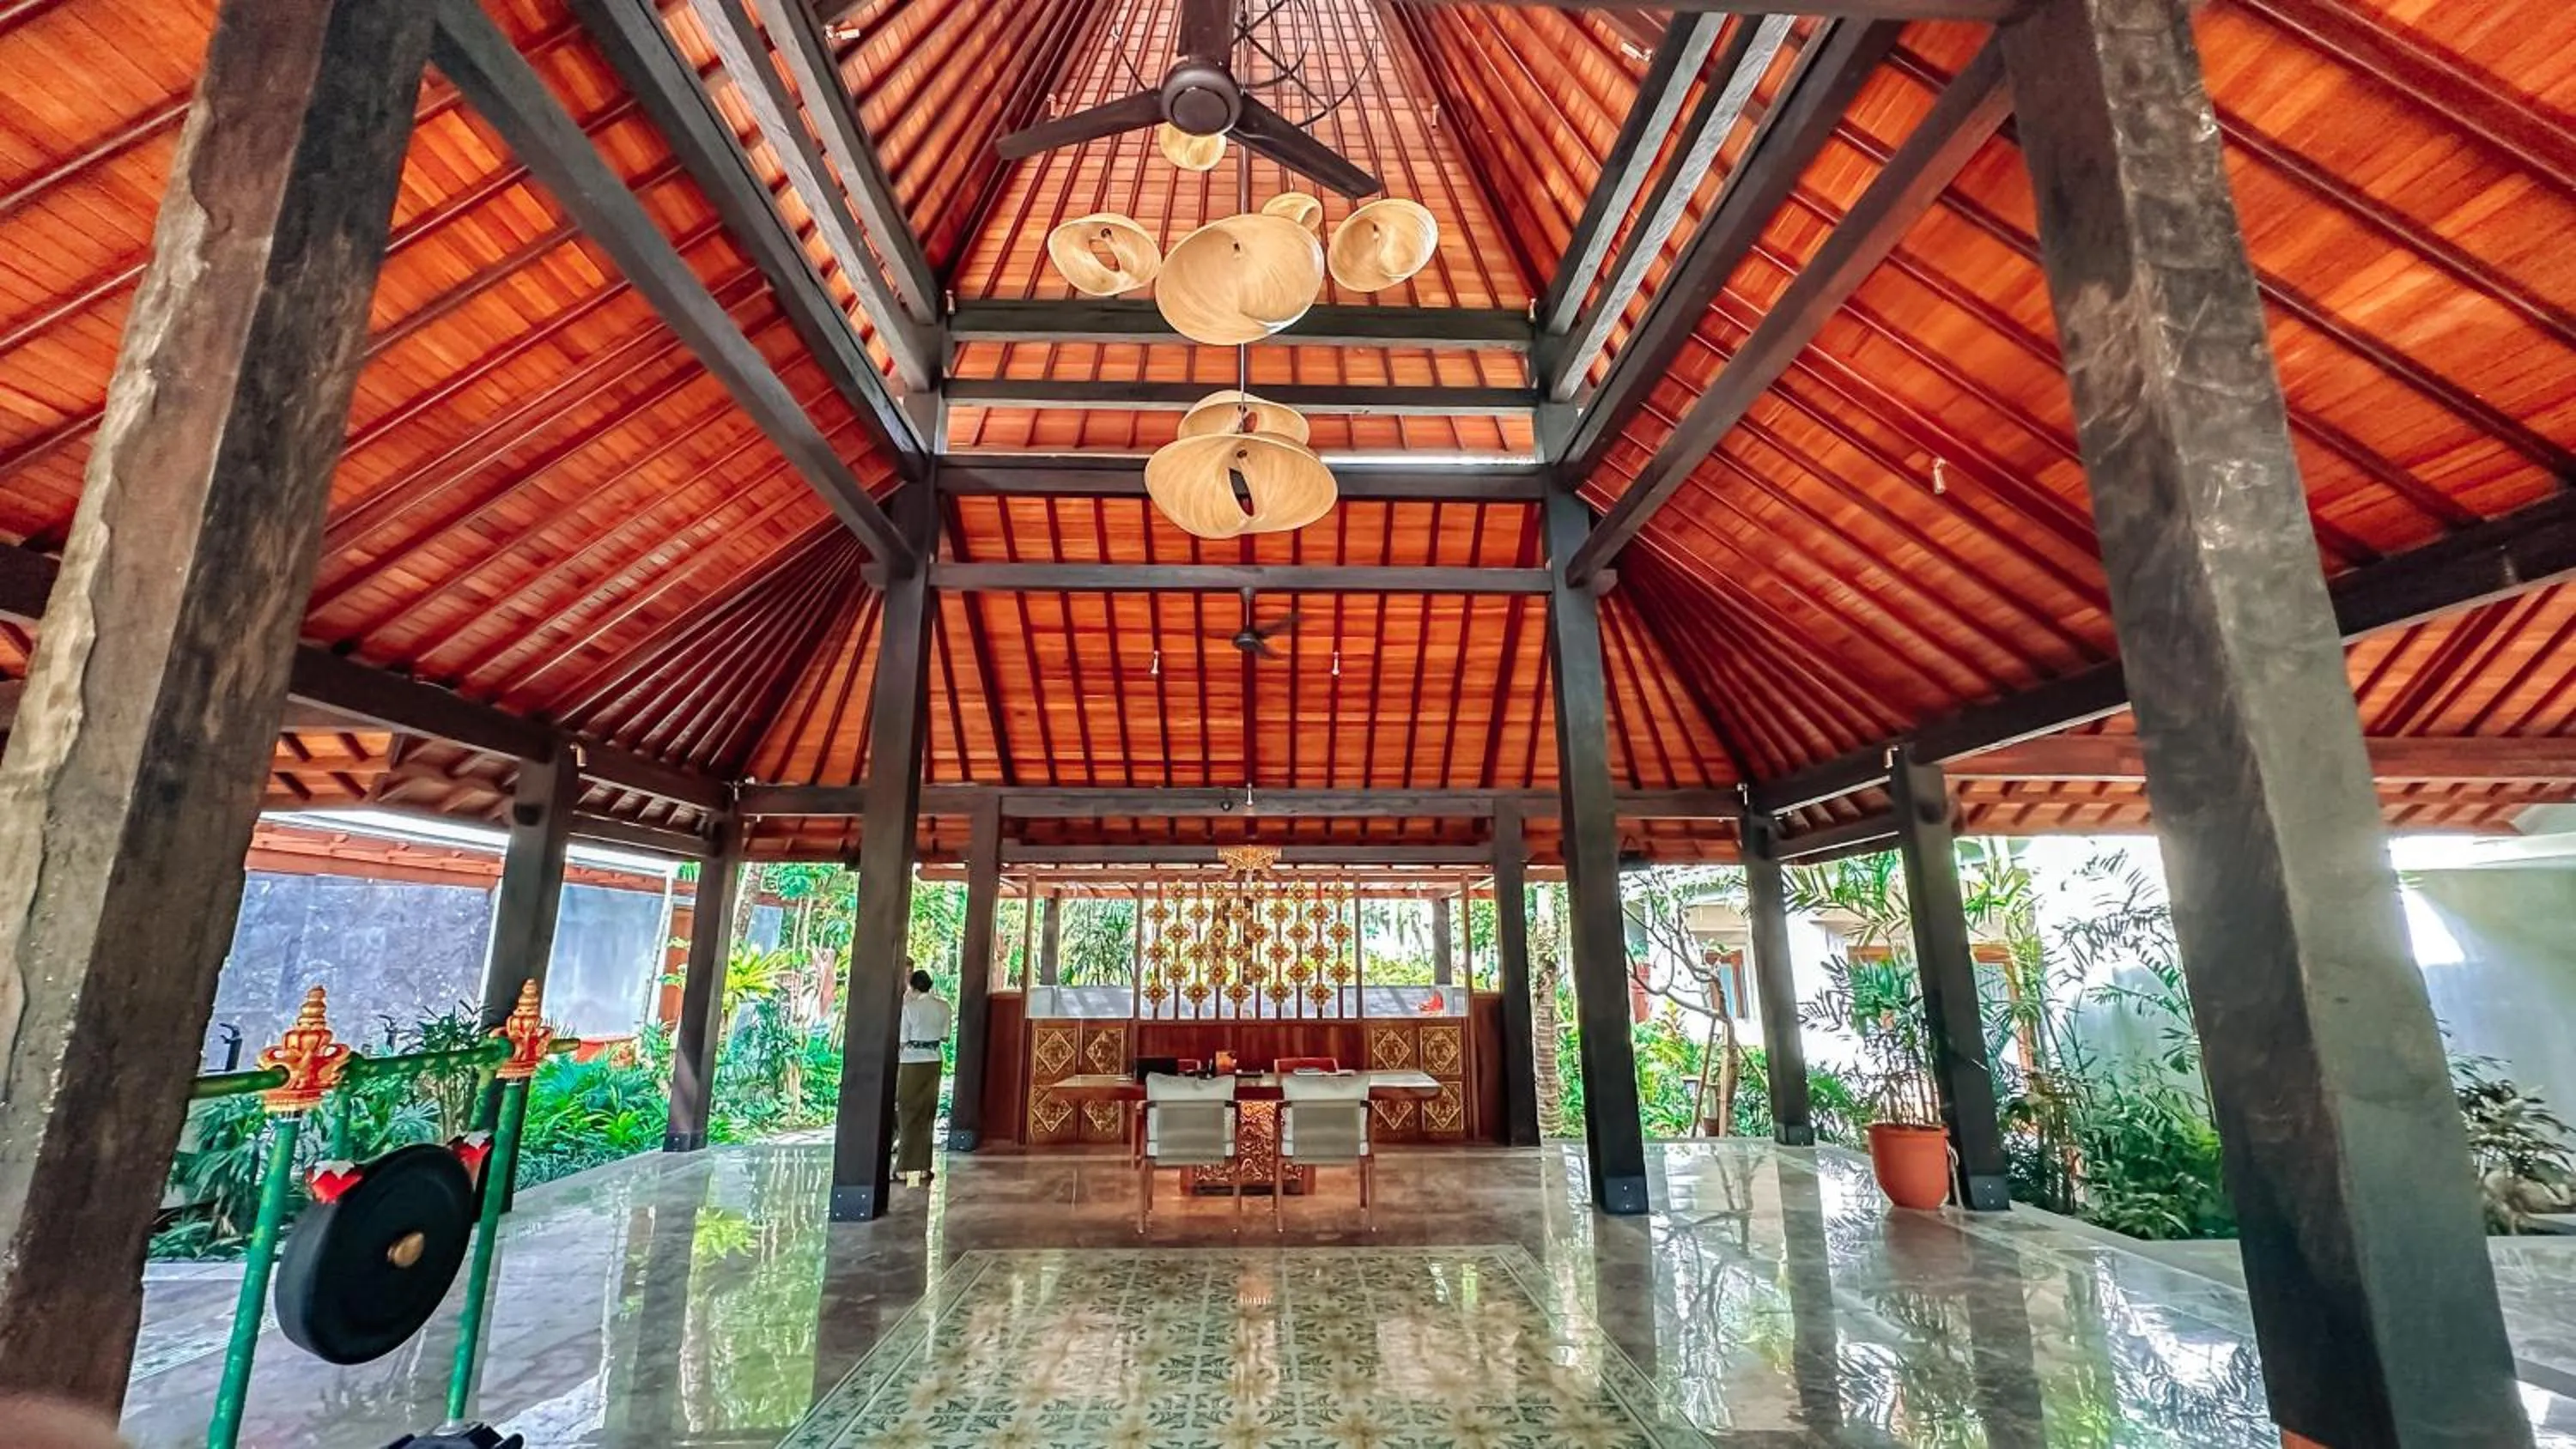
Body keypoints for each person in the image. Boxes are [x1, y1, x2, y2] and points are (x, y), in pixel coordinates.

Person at [895, 964, 951, 1185]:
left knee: (907, 1113)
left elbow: (902, 1040)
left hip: (911, 1062)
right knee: (927, 1114)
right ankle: (925, 1168)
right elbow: (945, 1037)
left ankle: (902, 1168)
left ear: (913, 987)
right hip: (934, 1060)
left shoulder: (909, 1008)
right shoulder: (944, 1006)